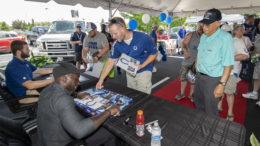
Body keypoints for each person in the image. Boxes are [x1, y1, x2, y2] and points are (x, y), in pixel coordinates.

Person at [37, 63, 120, 146]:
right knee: (110, 133)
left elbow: (61, 97)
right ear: (64, 78)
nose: (79, 82)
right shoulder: (63, 99)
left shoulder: (47, 90)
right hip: (65, 143)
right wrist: (108, 111)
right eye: (77, 78)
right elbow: (79, 131)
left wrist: (76, 95)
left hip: (46, 140)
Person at [96, 17, 157, 94]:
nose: (113, 37)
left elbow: (154, 53)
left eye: (115, 33)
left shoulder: (143, 37)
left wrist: (142, 65)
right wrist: (101, 80)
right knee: (131, 95)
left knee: (142, 98)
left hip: (143, 71)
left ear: (123, 28)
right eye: (112, 34)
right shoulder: (116, 44)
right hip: (129, 72)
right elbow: (110, 61)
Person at [194, 8, 234, 116]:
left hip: (212, 80)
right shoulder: (203, 36)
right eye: (204, 24)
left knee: (211, 111)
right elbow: (199, 53)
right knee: (199, 105)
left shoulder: (225, 38)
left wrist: (221, 85)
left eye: (208, 24)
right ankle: (201, 129)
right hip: (199, 77)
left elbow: (228, 65)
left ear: (218, 23)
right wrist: (196, 65)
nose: (205, 27)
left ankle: (211, 133)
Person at [218, 25, 249, 121]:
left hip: (232, 72)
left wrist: (229, 58)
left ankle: (230, 112)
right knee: (221, 88)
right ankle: (219, 104)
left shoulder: (237, 41)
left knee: (229, 92)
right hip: (221, 70)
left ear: (229, 33)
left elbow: (245, 56)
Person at [174, 23, 203, 102]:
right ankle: (182, 93)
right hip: (187, 61)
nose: (201, 29)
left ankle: (191, 94)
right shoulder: (191, 34)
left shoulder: (205, 36)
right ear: (198, 27)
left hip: (197, 63)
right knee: (183, 78)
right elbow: (183, 44)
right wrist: (186, 51)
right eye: (200, 27)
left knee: (193, 79)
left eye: (203, 27)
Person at [243, 34, 260, 101]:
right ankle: (254, 93)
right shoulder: (258, 35)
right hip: (257, 59)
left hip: (257, 57)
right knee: (256, 77)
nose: (259, 24)